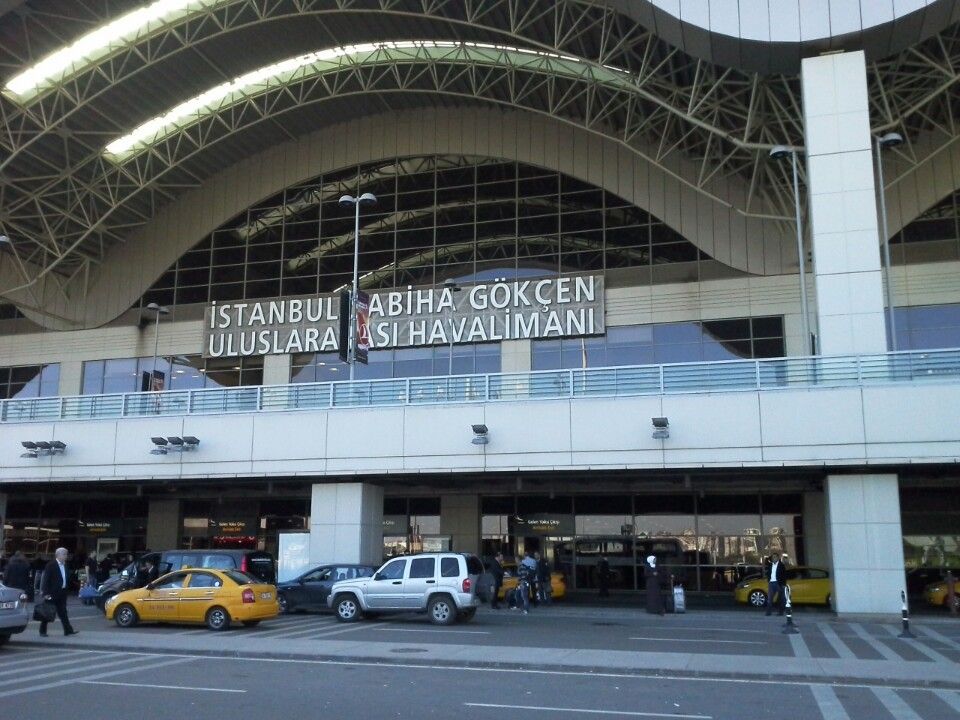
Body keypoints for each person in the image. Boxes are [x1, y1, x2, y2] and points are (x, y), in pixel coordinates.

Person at [39, 547, 78, 637]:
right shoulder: (51, 565)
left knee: (63, 612)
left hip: (62, 593)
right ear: (58, 555)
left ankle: (68, 630)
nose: (66, 556)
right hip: (51, 593)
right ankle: (42, 631)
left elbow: (66, 577)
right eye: (64, 554)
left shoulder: (65, 565)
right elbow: (46, 579)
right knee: (48, 612)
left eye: (66, 554)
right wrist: (45, 593)